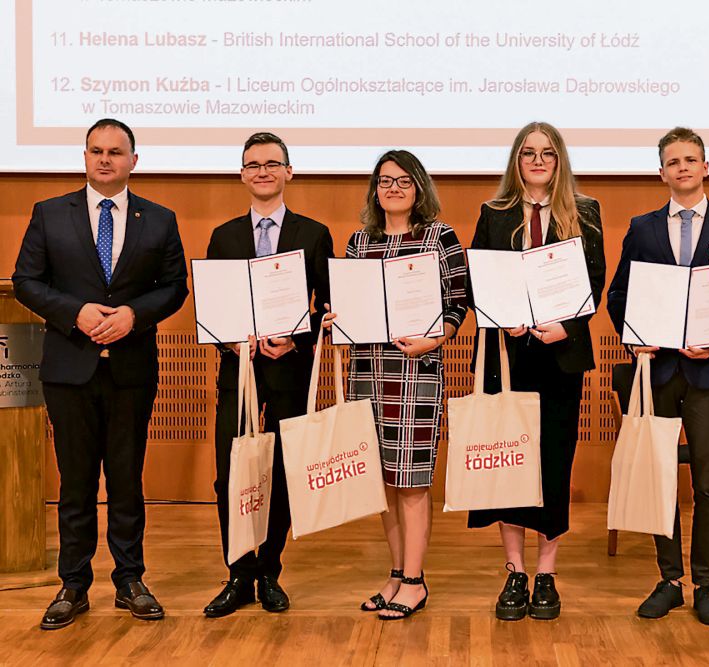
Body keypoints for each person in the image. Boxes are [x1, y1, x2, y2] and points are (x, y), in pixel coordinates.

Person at [13, 118, 188, 629]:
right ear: (85, 157)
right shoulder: (49, 213)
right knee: (76, 482)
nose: (105, 159)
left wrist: (135, 315)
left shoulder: (160, 219)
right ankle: (73, 585)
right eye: (96, 150)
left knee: (127, 480)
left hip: (131, 369)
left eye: (115, 151)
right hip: (70, 368)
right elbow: (26, 280)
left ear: (134, 160)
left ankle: (130, 580)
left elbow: (174, 286)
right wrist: (74, 312)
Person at [607, 127, 709, 626]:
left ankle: (707, 583)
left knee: (708, 482)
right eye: (673, 162)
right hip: (659, 371)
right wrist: (633, 336)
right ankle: (670, 580)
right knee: (660, 479)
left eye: (691, 159)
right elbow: (619, 294)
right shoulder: (642, 228)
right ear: (662, 173)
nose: (683, 167)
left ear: (705, 167)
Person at [466, 121, 605, 621]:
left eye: (547, 152)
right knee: (510, 464)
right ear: (517, 161)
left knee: (553, 462)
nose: (538, 160)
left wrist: (566, 326)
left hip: (561, 355)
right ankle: (515, 572)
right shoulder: (494, 213)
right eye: (529, 153)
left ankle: (546, 572)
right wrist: (504, 318)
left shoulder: (584, 212)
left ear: (559, 159)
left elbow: (595, 280)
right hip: (508, 356)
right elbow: (479, 280)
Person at [323, 149, 468, 620]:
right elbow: (348, 305)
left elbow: (458, 304)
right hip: (367, 372)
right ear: (375, 190)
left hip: (416, 373)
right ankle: (396, 573)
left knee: (411, 481)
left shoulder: (440, 237)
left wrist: (435, 339)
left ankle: (415, 580)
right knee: (382, 481)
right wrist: (334, 321)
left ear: (419, 187)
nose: (393, 189)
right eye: (385, 181)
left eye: (404, 181)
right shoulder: (359, 241)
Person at [202, 132, 333, 617]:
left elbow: (328, 307)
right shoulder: (224, 236)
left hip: (289, 370)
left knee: (281, 472)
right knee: (230, 474)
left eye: (272, 163)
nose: (263, 171)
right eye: (253, 164)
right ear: (242, 174)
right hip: (237, 371)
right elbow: (213, 306)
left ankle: (269, 571)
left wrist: (296, 340)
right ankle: (238, 573)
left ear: (288, 172)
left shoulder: (313, 233)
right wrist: (232, 340)